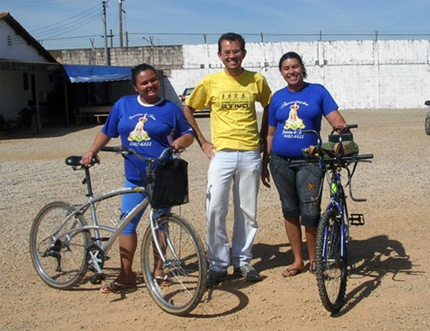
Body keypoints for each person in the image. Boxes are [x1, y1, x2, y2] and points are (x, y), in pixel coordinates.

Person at [82, 63, 194, 293]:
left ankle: (159, 271)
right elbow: (107, 131)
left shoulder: (170, 108)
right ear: (136, 86)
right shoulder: (123, 105)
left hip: (162, 176)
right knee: (127, 225)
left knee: (161, 224)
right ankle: (126, 276)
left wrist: (181, 142)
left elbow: (188, 133)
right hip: (134, 177)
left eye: (153, 80)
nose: (150, 85)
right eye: (144, 82)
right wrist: (92, 150)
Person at [183, 32, 272, 287]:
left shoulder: (256, 80)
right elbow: (188, 108)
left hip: (249, 153)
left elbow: (269, 105)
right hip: (221, 154)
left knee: (247, 211)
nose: (231, 56)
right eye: (226, 52)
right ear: (220, 55)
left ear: (244, 53)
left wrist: (264, 139)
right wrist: (202, 141)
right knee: (214, 209)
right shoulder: (210, 82)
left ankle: (243, 260)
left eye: (236, 51)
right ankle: (218, 264)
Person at [262, 52, 346, 277]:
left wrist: (342, 131)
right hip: (280, 162)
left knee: (310, 210)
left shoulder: (318, 91)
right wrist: (264, 164)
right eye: (287, 68)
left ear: (302, 68)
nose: (291, 72)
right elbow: (270, 135)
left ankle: (315, 258)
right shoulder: (277, 98)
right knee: (289, 210)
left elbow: (336, 120)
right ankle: (298, 260)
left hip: (309, 161)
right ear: (281, 72)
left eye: (295, 67)